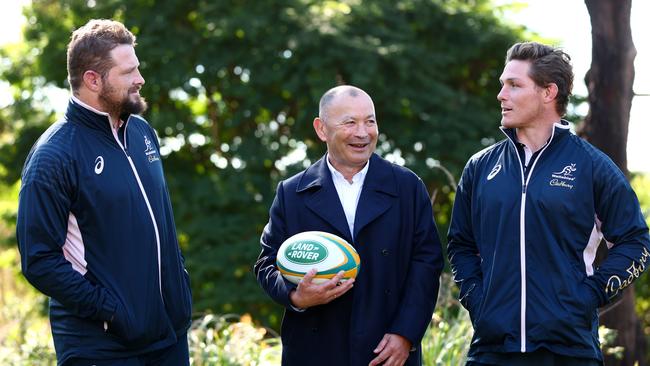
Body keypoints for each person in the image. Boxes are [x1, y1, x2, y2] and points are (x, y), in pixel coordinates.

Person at [447, 41, 650, 366]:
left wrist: (589, 296)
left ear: (548, 92)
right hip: (492, 349)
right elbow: (461, 244)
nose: (501, 94)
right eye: (503, 85)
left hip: (568, 350)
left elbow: (636, 242)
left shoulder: (592, 166)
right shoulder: (481, 167)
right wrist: (477, 299)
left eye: (514, 85)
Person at [16, 19, 192, 365]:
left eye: (137, 69)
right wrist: (111, 311)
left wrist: (178, 289)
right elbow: (39, 261)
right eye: (128, 73)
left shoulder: (141, 132)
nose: (140, 79)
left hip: (168, 337)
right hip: (103, 347)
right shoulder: (54, 156)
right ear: (93, 80)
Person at [254, 85, 444, 366]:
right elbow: (266, 263)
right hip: (314, 350)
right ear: (321, 129)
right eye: (350, 123)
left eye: (370, 121)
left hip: (386, 352)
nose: (363, 133)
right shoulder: (292, 192)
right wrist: (296, 296)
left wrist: (405, 334)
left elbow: (427, 264)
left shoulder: (407, 187)